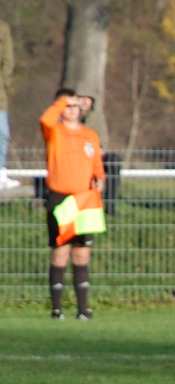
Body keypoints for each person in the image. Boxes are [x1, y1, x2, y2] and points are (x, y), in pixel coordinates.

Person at [40, 89, 105, 320]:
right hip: (61, 198)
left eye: (74, 106)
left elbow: (96, 163)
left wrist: (100, 179)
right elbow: (45, 119)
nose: (71, 110)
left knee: (82, 254)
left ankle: (83, 309)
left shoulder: (90, 135)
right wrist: (63, 101)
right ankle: (57, 309)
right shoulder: (54, 132)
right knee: (60, 253)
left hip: (84, 199)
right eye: (67, 106)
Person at [78, 92, 121, 215]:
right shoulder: (69, 118)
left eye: (88, 99)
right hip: (77, 156)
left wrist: (98, 150)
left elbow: (97, 142)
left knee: (113, 161)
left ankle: (110, 204)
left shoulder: (95, 119)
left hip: (94, 154)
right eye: (82, 99)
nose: (85, 102)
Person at [0, 18, 19, 190]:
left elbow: (8, 59)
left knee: (2, 132)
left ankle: (0, 170)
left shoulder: (2, 28)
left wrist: (4, 82)